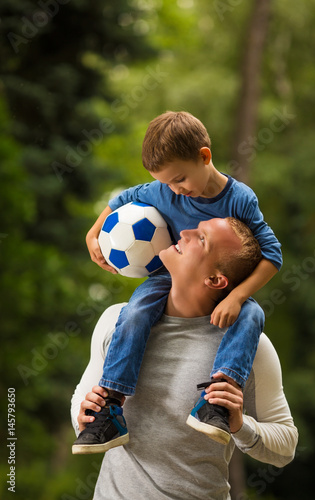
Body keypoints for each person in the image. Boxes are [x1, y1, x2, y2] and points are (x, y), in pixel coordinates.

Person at [72, 111, 282, 453]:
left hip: (221, 284)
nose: (175, 190)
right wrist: (94, 232)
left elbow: (273, 254)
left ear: (204, 156)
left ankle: (216, 400)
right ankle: (110, 403)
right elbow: (120, 201)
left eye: (180, 179)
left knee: (252, 315)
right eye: (167, 183)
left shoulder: (240, 199)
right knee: (137, 309)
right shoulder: (162, 192)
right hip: (168, 280)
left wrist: (237, 296)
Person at [71, 218, 298, 499]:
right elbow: (81, 398)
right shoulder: (116, 321)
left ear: (215, 279)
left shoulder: (251, 347)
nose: (184, 232)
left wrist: (239, 424)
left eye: (201, 239)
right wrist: (83, 415)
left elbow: (286, 447)